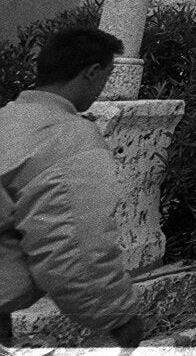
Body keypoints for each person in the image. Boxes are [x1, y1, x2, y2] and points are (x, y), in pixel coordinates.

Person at [1, 27, 144, 349]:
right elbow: (75, 245)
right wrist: (118, 317)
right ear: (92, 73)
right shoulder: (67, 139)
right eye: (104, 80)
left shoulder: (8, 118)